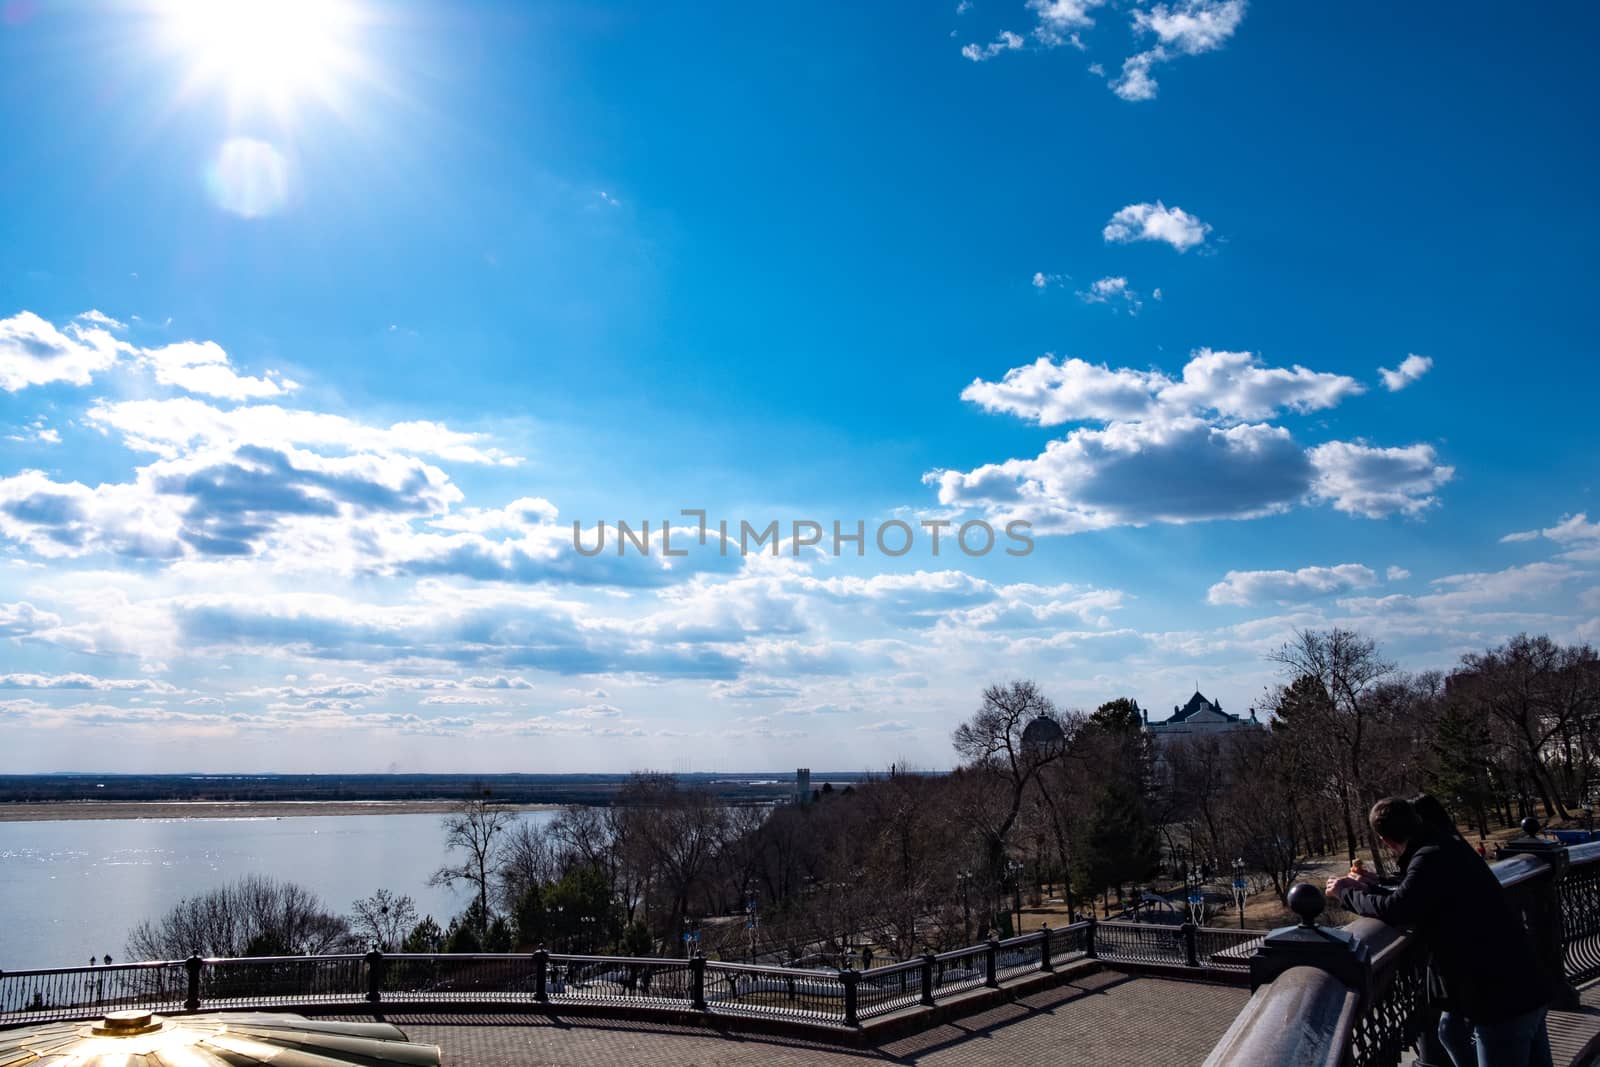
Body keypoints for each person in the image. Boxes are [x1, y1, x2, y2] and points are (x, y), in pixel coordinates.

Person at [1328, 797, 1553, 1067]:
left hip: (1501, 1000)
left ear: (1385, 841)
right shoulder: (1446, 845)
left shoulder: (1430, 857)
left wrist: (1345, 893)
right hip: (1522, 978)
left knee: (1468, 1035)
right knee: (1451, 1032)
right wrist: (1374, 886)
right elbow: (1420, 892)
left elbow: (1399, 907)